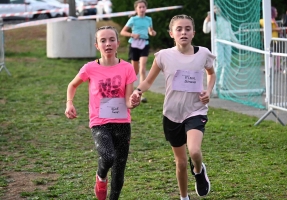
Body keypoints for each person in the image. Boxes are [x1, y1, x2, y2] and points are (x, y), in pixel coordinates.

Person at [130, 14, 216, 200]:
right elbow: (148, 81)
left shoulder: (203, 54)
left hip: (195, 110)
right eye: (179, 29)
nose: (183, 32)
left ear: (193, 32)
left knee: (194, 151)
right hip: (172, 114)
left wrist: (208, 91)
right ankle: (184, 197)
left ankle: (199, 171)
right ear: (171, 33)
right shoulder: (163, 56)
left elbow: (211, 74)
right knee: (181, 163)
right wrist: (138, 91)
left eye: (187, 29)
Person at [65, 26, 137, 200]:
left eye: (112, 40)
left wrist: (133, 101)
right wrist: (69, 103)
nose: (108, 44)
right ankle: (100, 176)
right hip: (99, 122)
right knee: (107, 156)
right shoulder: (90, 68)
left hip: (122, 122)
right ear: (97, 45)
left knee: (119, 172)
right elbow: (72, 85)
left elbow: (128, 100)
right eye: (103, 40)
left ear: (118, 43)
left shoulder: (127, 68)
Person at [120, 0, 156, 103]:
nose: (141, 9)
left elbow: (150, 30)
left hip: (144, 43)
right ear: (136, 9)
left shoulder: (149, 19)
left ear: (146, 8)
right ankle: (127, 89)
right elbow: (123, 32)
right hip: (134, 44)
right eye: (139, 7)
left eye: (143, 7)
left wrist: (152, 32)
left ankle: (141, 93)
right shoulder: (133, 19)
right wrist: (132, 35)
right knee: (134, 71)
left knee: (143, 68)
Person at [203, 5, 238, 92]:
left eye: (217, 8)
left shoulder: (226, 19)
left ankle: (223, 84)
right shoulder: (214, 20)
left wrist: (238, 44)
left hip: (227, 43)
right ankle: (214, 85)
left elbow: (231, 33)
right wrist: (207, 20)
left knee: (227, 64)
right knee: (220, 63)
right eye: (214, 9)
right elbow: (206, 30)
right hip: (218, 43)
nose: (216, 10)